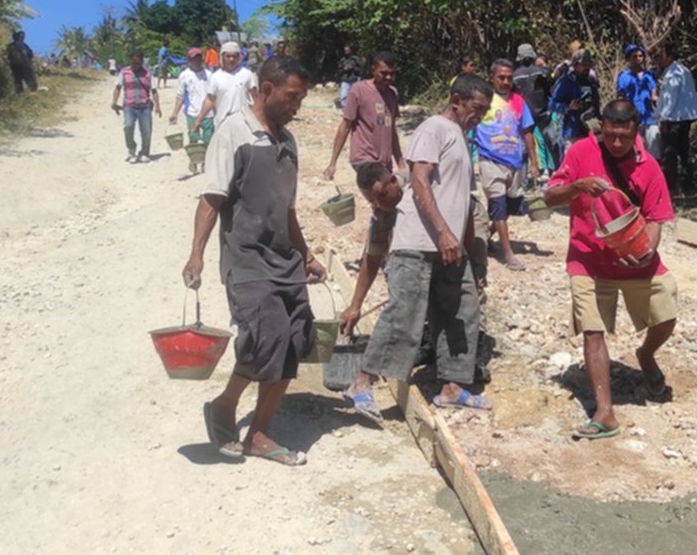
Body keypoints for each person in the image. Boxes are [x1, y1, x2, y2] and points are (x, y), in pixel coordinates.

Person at [182, 56, 326, 467]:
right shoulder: (234, 133)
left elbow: (289, 209)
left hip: (285, 261)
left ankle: (257, 432)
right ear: (266, 89)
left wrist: (307, 255)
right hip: (247, 262)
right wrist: (197, 253)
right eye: (292, 97)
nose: (297, 106)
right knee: (267, 339)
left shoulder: (288, 142)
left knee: (292, 343)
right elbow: (212, 198)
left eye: (301, 98)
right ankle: (227, 408)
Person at [341, 75, 494, 424]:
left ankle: (452, 386)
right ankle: (361, 382)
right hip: (421, 242)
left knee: (462, 311)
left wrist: (464, 243)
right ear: (456, 100)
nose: (480, 117)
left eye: (484, 111)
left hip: (449, 246)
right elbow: (421, 180)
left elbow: (462, 200)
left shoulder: (461, 137)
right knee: (405, 315)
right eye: (476, 109)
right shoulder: (434, 128)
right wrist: (442, 232)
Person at [543, 99, 678, 440]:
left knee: (666, 312)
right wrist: (577, 187)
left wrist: (647, 253)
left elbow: (657, 218)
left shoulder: (649, 166)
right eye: (611, 135)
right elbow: (549, 197)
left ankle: (646, 355)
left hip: (633, 256)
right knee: (593, 328)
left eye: (625, 136)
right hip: (587, 258)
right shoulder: (578, 152)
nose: (617, 143)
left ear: (636, 132)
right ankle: (605, 412)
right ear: (601, 127)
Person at [475, 59, 540, 271]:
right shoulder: (483, 100)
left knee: (512, 206)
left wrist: (533, 162)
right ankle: (508, 254)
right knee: (498, 205)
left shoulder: (519, 102)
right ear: (491, 78)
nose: (505, 82)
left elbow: (527, 131)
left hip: (514, 162)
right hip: (490, 159)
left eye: (509, 78)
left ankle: (482, 236)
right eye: (501, 77)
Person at [339, 162, 405, 335]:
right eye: (372, 201)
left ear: (393, 181)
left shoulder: (416, 187)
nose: (379, 205)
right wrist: (355, 306)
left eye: (382, 196)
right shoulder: (381, 213)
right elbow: (373, 257)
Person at [323, 50, 405, 180]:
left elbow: (392, 130)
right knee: (383, 191)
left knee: (385, 197)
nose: (389, 77)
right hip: (364, 158)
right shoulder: (359, 90)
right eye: (384, 73)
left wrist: (400, 162)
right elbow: (345, 125)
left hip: (384, 161)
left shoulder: (392, 94)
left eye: (392, 74)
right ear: (373, 70)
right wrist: (333, 162)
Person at [653, 42, 697, 193]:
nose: (659, 59)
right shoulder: (683, 70)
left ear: (669, 56)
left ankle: (671, 186)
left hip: (675, 119)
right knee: (684, 150)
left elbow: (670, 98)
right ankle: (688, 184)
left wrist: (664, 118)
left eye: (661, 55)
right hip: (685, 117)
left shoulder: (674, 73)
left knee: (670, 152)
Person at [548, 48, 602, 162]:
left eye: (589, 65)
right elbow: (552, 104)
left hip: (591, 131)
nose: (587, 68)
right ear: (576, 65)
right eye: (584, 64)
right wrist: (568, 108)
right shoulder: (565, 82)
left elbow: (596, 105)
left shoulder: (591, 82)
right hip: (572, 133)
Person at [110, 49, 161, 163]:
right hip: (129, 106)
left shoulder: (148, 73)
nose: (136, 66)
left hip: (145, 106)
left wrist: (157, 106)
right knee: (128, 127)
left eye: (139, 63)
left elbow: (154, 91)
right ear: (130, 61)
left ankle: (144, 152)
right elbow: (118, 88)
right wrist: (114, 102)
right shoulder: (124, 72)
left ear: (142, 62)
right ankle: (132, 150)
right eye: (134, 63)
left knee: (146, 130)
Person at [511, 43, 555, 175]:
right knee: (550, 142)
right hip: (543, 113)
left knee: (524, 147)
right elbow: (551, 90)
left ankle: (523, 179)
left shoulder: (514, 76)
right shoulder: (543, 72)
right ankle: (555, 173)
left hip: (523, 114)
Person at [170, 47, 214, 170]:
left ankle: (206, 161)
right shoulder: (184, 76)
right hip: (191, 113)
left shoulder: (209, 75)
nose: (197, 61)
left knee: (208, 139)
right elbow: (180, 96)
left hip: (208, 114)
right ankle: (194, 161)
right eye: (194, 59)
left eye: (199, 58)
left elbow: (213, 96)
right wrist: (175, 113)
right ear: (189, 60)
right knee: (194, 140)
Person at [194, 42, 256, 128]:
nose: (231, 59)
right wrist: (198, 120)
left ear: (239, 57)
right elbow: (210, 100)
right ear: (222, 57)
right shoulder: (215, 77)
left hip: (244, 124)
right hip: (222, 123)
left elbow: (256, 98)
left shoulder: (247, 75)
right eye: (228, 56)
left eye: (234, 56)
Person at [616, 44, 659, 154]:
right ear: (629, 58)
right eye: (634, 56)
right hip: (633, 119)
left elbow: (654, 94)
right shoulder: (624, 76)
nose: (638, 59)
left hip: (650, 119)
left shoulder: (648, 75)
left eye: (640, 56)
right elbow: (621, 97)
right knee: (635, 151)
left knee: (654, 151)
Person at [336, 44, 364, 110]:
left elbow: (360, 70)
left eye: (348, 50)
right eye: (345, 50)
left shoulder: (356, 59)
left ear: (351, 50)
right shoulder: (342, 60)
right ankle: (344, 110)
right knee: (344, 96)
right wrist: (344, 69)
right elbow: (339, 71)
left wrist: (352, 68)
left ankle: (355, 109)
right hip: (345, 80)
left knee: (355, 96)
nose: (346, 52)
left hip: (354, 80)